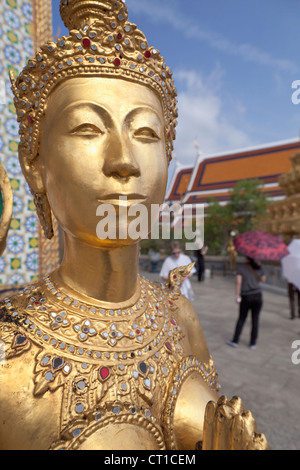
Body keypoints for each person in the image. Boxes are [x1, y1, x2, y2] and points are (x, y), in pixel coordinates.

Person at [0, 0, 268, 451]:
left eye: (145, 133)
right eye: (87, 128)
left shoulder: (178, 314)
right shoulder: (8, 351)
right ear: (36, 167)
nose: (124, 161)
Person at [227, 257, 266, 349]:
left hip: (246, 296)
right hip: (258, 295)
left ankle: (235, 341)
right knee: (255, 319)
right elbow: (263, 279)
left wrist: (237, 295)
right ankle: (253, 343)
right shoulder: (259, 266)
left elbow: (238, 282)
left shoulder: (241, 267)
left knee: (242, 318)